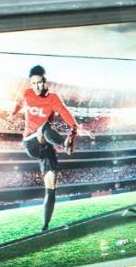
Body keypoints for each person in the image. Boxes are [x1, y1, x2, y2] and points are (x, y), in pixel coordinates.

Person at [13, 64, 84, 232]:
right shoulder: (27, 93)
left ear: (46, 81)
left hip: (47, 147)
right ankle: (64, 143)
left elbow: (64, 112)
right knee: (44, 126)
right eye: (34, 83)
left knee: (51, 188)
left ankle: (45, 226)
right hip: (31, 142)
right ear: (30, 83)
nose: (37, 86)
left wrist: (75, 127)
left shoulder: (53, 98)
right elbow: (19, 103)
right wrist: (13, 112)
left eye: (40, 82)